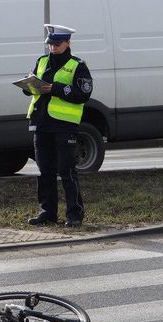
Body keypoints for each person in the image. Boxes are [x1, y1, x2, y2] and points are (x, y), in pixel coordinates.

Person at [24, 24, 93, 227]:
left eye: (57, 44)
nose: (52, 48)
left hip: (64, 125)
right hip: (41, 123)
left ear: (68, 43)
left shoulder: (77, 65)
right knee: (44, 171)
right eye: (50, 44)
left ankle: (74, 214)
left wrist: (56, 89)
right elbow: (31, 86)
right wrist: (27, 87)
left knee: (67, 171)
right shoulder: (42, 61)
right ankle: (47, 212)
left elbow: (83, 95)